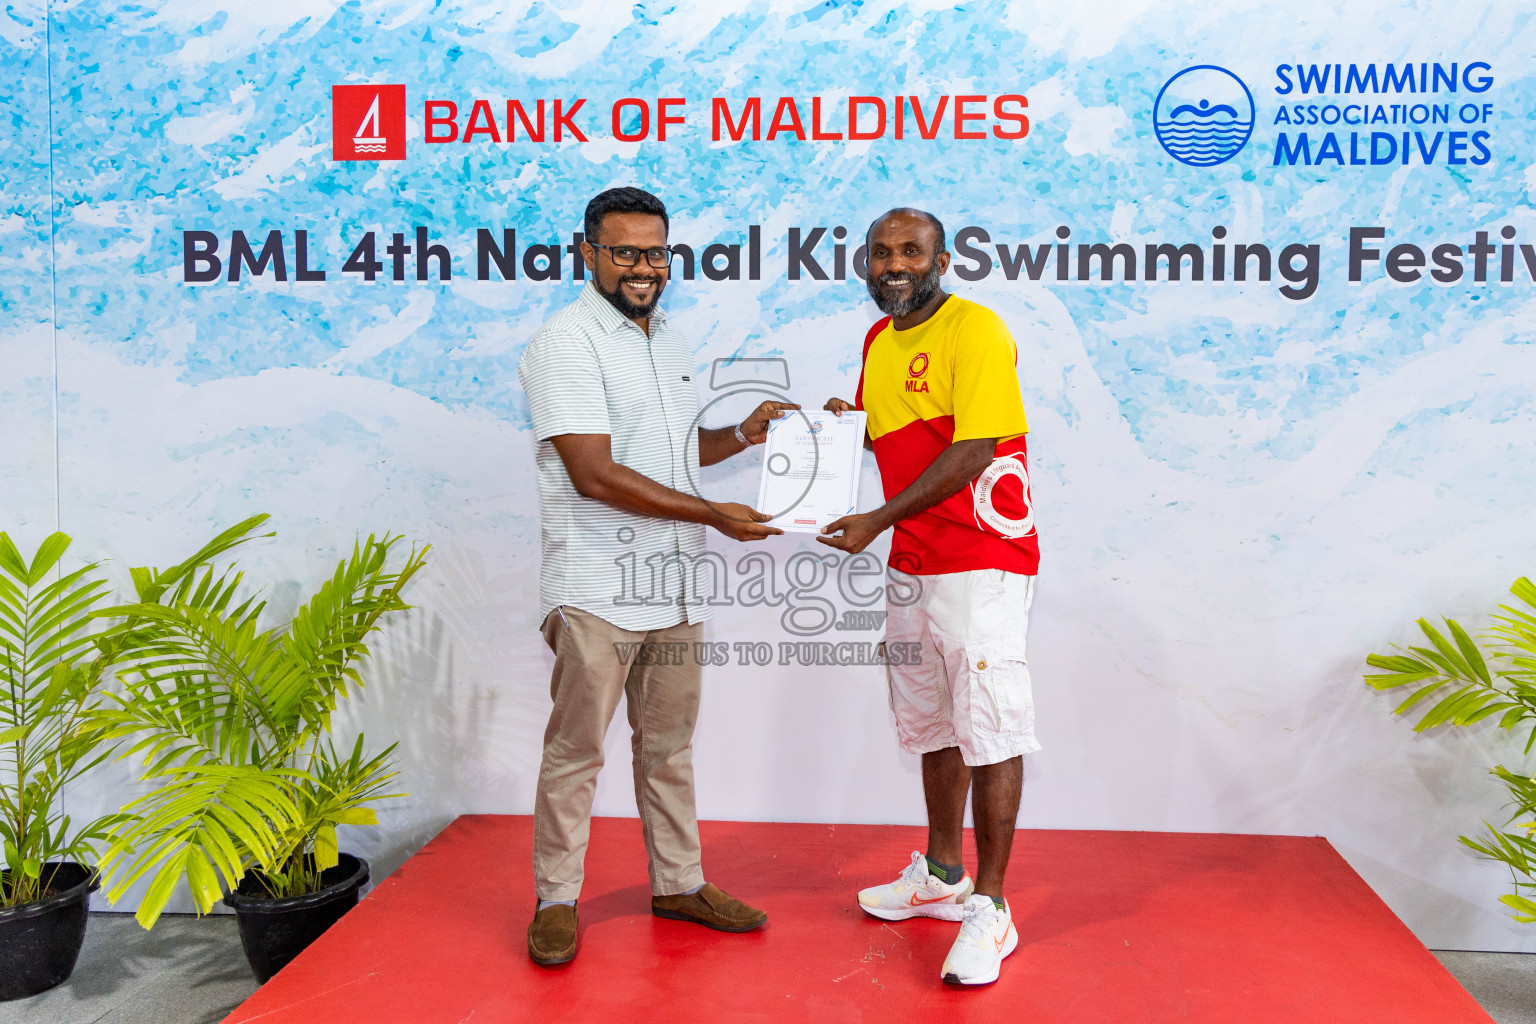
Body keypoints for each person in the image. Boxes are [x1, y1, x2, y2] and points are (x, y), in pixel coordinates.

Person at [516, 186, 796, 966]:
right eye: (625, 252)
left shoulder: (667, 339)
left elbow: (670, 454)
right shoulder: (565, 343)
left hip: (674, 586)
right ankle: (556, 898)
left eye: (655, 252)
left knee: (668, 746)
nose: (643, 267)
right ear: (588, 254)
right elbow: (595, 475)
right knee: (577, 751)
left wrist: (742, 433)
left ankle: (678, 882)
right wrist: (712, 517)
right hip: (597, 589)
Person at [820, 207, 1040, 987]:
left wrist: (876, 518)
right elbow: (885, 436)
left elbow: (975, 444)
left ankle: (992, 906)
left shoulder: (974, 329)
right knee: (934, 722)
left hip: (982, 559)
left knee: (990, 725)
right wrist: (832, 434)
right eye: (880, 252)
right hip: (914, 562)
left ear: (942, 258)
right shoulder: (881, 342)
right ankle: (943, 875)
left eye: (910, 250)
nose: (893, 264)